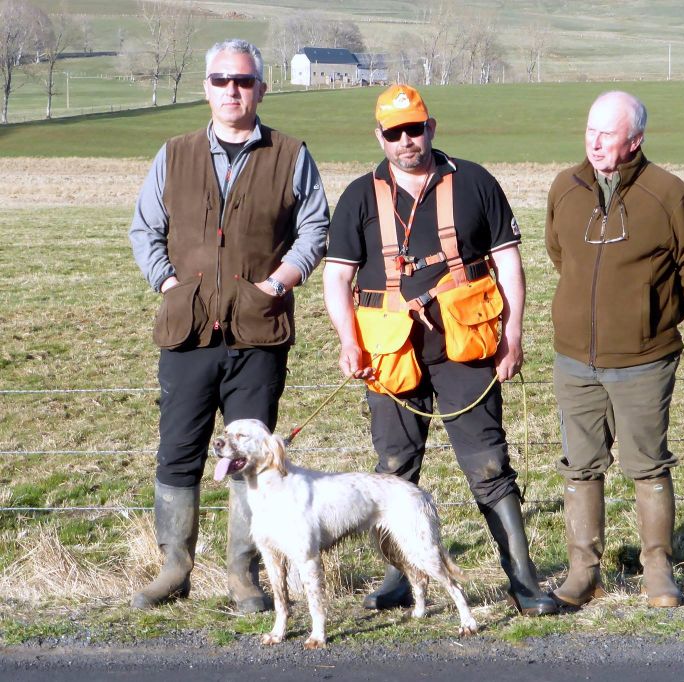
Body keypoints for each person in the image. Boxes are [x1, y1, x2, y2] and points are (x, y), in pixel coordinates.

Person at [322, 84, 557, 617]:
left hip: (467, 347)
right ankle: (400, 580)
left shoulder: (475, 181)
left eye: (415, 128)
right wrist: (348, 342)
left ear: (432, 126)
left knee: (490, 467)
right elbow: (337, 279)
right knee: (394, 471)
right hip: (388, 351)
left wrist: (514, 335)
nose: (407, 140)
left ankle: (523, 582)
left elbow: (510, 267)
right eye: (394, 132)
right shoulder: (360, 195)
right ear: (379, 135)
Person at [127, 39, 329, 612]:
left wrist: (278, 283)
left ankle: (245, 574)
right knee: (179, 450)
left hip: (258, 334)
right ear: (207, 88)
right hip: (187, 333)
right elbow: (145, 229)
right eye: (221, 80)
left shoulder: (290, 154)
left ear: (261, 89)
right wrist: (169, 284)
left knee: (254, 459)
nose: (232, 90)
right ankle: (175, 568)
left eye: (242, 81)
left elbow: (315, 227)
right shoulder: (174, 153)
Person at [545, 91, 684, 608]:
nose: (595, 143)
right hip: (574, 358)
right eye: (590, 131)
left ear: (635, 140)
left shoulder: (670, 195)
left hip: (644, 360)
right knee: (580, 465)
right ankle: (583, 570)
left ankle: (658, 569)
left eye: (608, 134)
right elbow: (560, 254)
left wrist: (651, 316)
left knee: (647, 464)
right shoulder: (565, 188)